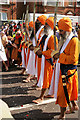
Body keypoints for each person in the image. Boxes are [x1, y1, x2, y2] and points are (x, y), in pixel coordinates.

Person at [53, 17, 79, 119]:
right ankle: (74, 106)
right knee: (69, 92)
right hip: (64, 69)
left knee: (63, 93)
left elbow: (73, 58)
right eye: (59, 30)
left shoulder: (74, 41)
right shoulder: (64, 39)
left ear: (67, 30)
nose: (60, 33)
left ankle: (62, 115)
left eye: (61, 30)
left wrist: (59, 56)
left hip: (68, 72)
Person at [32, 17, 58, 104]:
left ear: (50, 26)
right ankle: (50, 93)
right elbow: (40, 45)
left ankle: (41, 97)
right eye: (45, 24)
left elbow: (53, 51)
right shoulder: (44, 36)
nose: (44, 26)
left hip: (47, 61)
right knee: (44, 77)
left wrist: (42, 52)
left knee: (45, 79)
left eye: (46, 24)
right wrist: (36, 49)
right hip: (41, 59)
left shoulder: (52, 38)